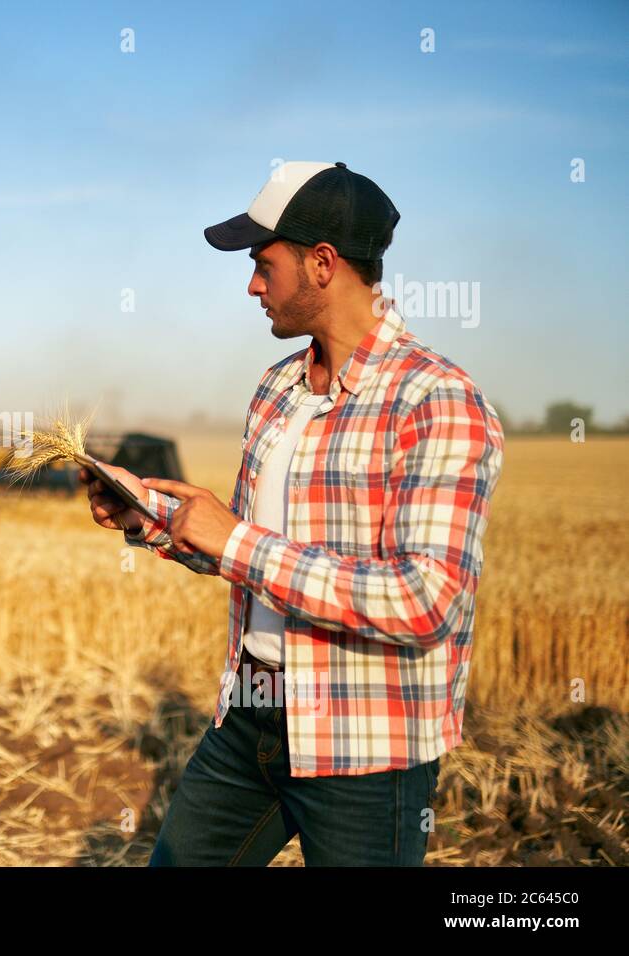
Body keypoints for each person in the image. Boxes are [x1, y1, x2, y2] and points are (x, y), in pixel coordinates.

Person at [81, 161, 504, 866]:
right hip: (249, 722)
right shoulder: (277, 389)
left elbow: (424, 601)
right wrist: (147, 516)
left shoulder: (438, 400)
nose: (252, 285)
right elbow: (246, 549)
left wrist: (237, 540)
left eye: (263, 265)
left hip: (366, 748)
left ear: (322, 263)